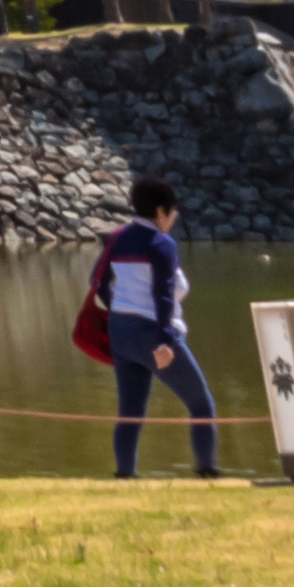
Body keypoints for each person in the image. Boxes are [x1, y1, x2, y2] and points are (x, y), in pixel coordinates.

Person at [92, 177, 220, 477]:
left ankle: (125, 475)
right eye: (173, 211)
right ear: (162, 211)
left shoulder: (119, 237)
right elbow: (163, 293)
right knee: (201, 405)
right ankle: (207, 473)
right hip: (153, 333)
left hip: (121, 331)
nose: (175, 217)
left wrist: (120, 310)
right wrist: (164, 340)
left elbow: (97, 284)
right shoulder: (161, 242)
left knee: (130, 412)